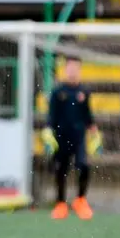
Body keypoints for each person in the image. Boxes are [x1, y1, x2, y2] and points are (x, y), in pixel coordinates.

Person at [47, 55, 96, 220]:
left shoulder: (84, 92)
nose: (73, 71)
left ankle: (80, 200)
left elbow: (88, 115)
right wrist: (48, 131)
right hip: (61, 136)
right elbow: (52, 116)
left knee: (83, 166)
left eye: (76, 68)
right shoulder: (58, 92)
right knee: (61, 169)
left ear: (79, 70)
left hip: (79, 136)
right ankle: (61, 203)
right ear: (65, 69)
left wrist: (94, 130)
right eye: (70, 68)